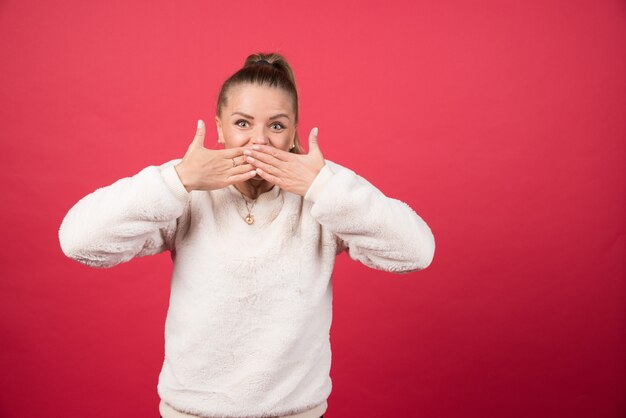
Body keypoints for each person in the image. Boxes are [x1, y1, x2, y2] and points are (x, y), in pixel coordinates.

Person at [58, 52, 436, 418]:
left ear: (292, 134)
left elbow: (415, 252)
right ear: (219, 129)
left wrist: (324, 188)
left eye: (276, 126)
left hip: (297, 411)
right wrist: (179, 180)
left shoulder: (323, 188)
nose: (258, 141)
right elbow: (80, 243)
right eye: (242, 123)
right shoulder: (187, 182)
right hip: (191, 410)